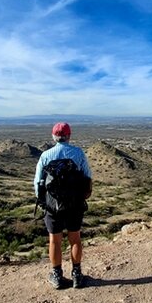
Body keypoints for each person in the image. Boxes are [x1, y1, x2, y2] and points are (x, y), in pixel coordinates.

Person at [34, 122, 93, 289]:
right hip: (74, 204)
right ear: (69, 136)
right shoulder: (78, 153)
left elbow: (38, 183)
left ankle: (57, 276)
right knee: (75, 239)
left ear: (53, 137)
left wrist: (43, 202)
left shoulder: (45, 155)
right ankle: (77, 275)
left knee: (54, 241)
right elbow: (88, 177)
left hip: (53, 206)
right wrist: (83, 196)